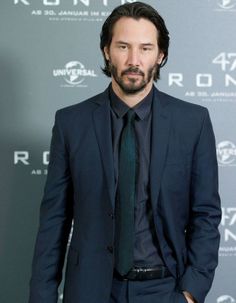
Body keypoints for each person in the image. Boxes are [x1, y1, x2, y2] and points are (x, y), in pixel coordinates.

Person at [29, 2, 221, 303]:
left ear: (161, 55)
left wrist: (191, 293)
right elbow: (54, 219)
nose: (134, 60)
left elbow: (206, 215)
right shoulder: (71, 123)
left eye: (145, 48)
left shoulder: (192, 122)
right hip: (90, 291)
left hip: (165, 290)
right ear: (107, 51)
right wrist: (42, 296)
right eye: (123, 46)